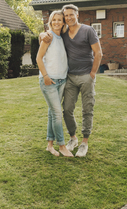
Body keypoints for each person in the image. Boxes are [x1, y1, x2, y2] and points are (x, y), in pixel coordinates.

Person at [41, 4, 102, 157]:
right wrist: (41, 35)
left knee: (87, 109)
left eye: (71, 15)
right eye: (66, 16)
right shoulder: (64, 33)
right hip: (70, 77)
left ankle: (84, 143)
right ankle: (73, 138)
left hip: (86, 77)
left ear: (77, 15)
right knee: (67, 109)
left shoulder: (88, 30)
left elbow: (98, 52)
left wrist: (92, 73)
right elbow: (49, 36)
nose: (68, 18)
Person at [36, 10, 73, 157]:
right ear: (50, 22)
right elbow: (39, 58)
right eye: (54, 20)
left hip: (61, 80)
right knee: (58, 114)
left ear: (63, 22)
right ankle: (62, 145)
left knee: (52, 113)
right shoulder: (48, 37)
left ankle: (49, 145)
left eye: (59, 20)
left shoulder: (62, 37)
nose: (57, 22)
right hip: (49, 81)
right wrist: (45, 76)